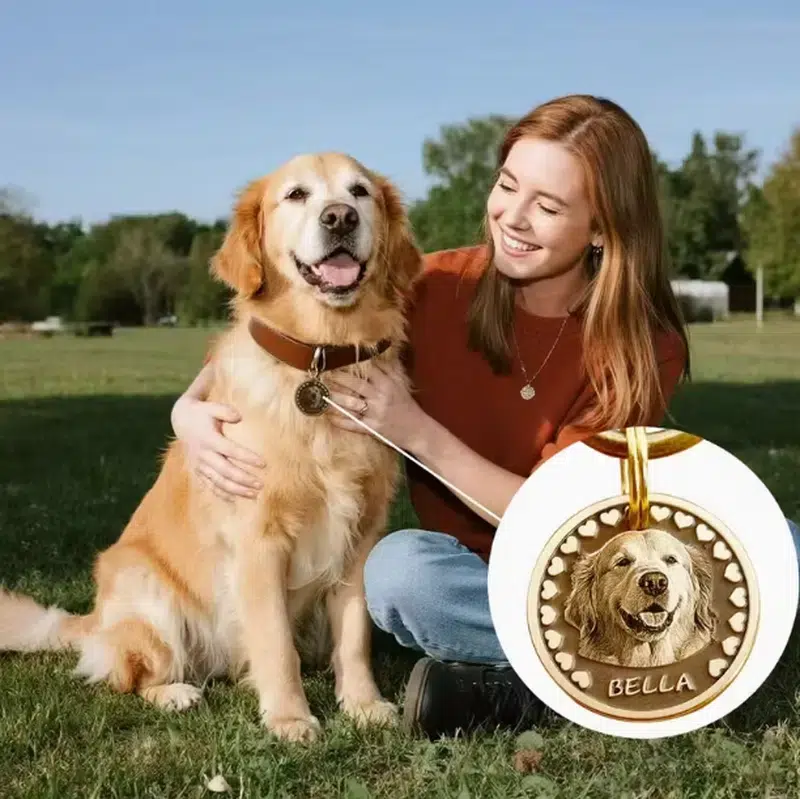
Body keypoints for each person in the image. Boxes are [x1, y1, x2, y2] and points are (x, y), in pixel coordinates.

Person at [170, 94, 800, 740]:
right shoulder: (434, 286)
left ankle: (527, 687)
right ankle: (642, 666)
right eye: (507, 185)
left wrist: (415, 431)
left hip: (592, 566)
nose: (513, 218)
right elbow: (288, 340)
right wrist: (188, 409)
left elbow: (559, 520)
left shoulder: (645, 344)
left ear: (602, 228)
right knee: (401, 574)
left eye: (548, 206)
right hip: (469, 579)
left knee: (784, 545)